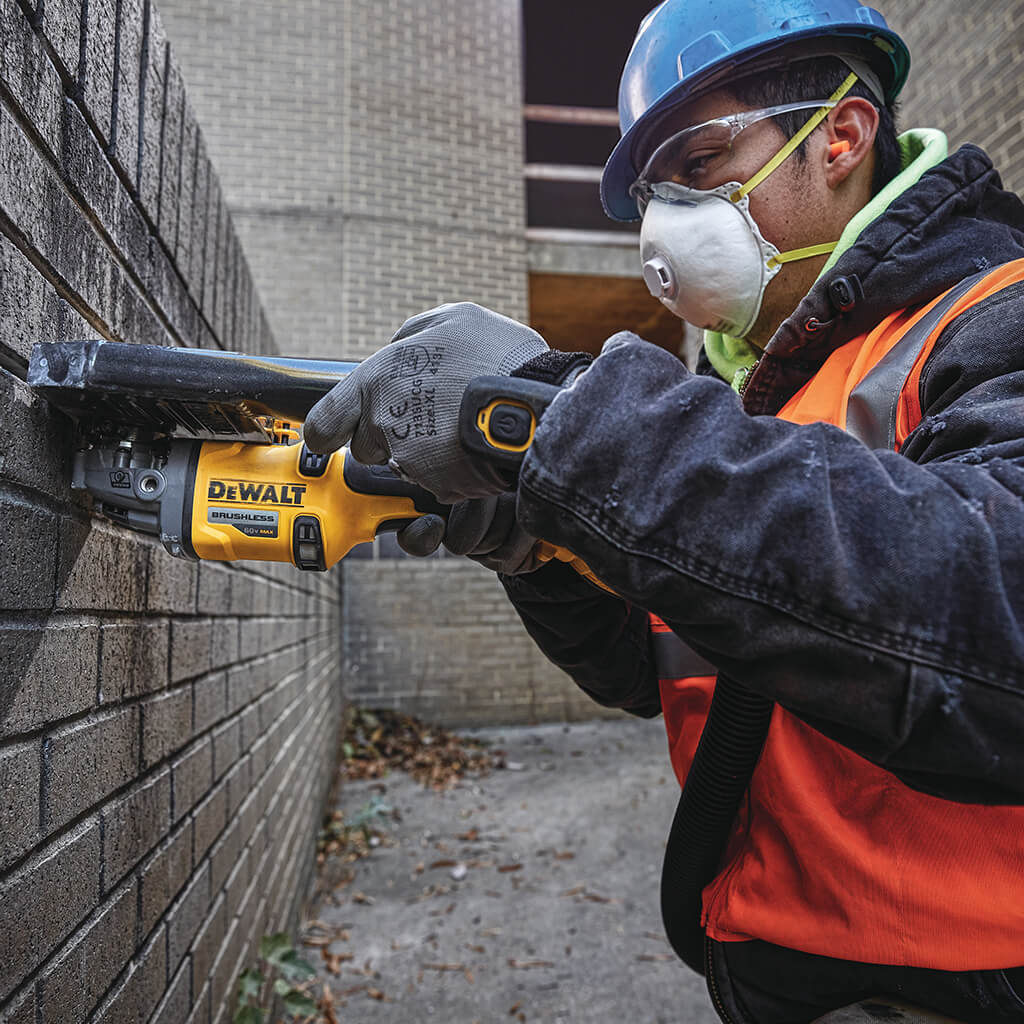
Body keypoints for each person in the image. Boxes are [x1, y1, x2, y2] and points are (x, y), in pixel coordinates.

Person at [303, 1, 1024, 1020]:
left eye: (698, 161)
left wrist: (568, 423)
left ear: (841, 137)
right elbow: (660, 673)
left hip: (964, 978)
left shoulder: (994, 314)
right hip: (777, 964)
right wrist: (538, 548)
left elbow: (995, 619)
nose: (665, 220)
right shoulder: (752, 394)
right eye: (652, 190)